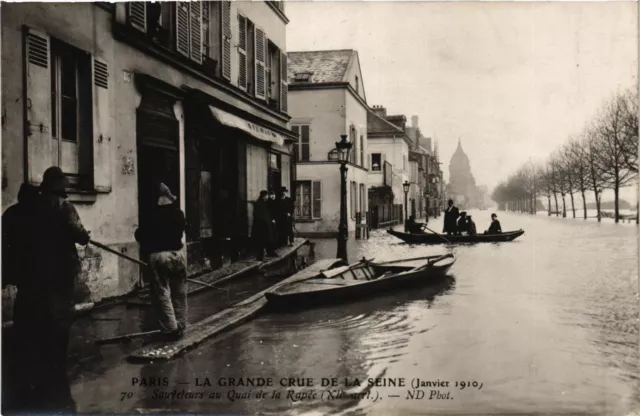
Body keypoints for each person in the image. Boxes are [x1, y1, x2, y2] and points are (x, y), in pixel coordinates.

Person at [11, 166, 90, 412]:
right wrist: (85, 236)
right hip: (59, 274)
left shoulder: (30, 206)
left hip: (32, 273)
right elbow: (79, 234)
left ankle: (31, 368)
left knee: (30, 318)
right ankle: (55, 372)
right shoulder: (65, 207)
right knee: (59, 319)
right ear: (62, 186)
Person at [134, 182, 187, 341]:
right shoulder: (179, 213)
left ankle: (171, 329)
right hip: (178, 255)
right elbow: (182, 229)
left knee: (162, 292)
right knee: (179, 292)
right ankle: (181, 323)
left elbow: (140, 235)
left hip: (159, 257)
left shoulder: (151, 215)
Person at [252, 190, 276, 260]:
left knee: (262, 242)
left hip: (263, 225)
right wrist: (266, 222)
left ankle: (261, 257)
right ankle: (259, 258)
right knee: (260, 242)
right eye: (267, 196)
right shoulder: (260, 203)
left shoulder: (262, 203)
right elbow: (259, 215)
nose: (267, 197)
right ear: (264, 196)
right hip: (261, 226)